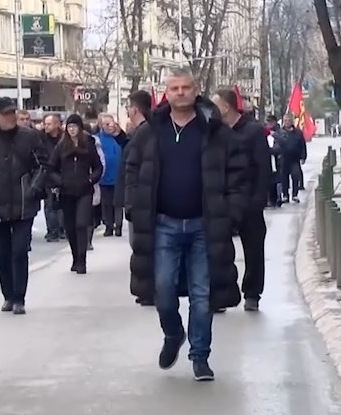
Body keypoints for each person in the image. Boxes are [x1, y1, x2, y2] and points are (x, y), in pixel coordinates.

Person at [124, 70, 246, 381]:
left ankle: (200, 356)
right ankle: (173, 333)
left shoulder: (214, 130)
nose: (180, 93)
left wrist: (230, 213)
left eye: (186, 87)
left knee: (201, 294)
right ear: (166, 92)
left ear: (196, 90)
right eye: (174, 88)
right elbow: (133, 170)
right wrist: (134, 208)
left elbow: (238, 174)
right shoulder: (151, 131)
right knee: (162, 290)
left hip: (204, 226)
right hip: (163, 224)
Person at [0, 97, 49, 314]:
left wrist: (33, 188)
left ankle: (19, 298)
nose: (10, 117)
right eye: (5, 113)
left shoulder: (30, 137)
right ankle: (7, 295)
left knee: (19, 251)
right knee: (2, 253)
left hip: (24, 204)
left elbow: (43, 165)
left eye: (12, 113)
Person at [211, 88, 270, 311]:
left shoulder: (252, 131)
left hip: (248, 200)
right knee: (219, 250)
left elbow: (263, 167)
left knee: (253, 249)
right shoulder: (216, 132)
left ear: (225, 107)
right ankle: (221, 294)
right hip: (223, 200)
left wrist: (258, 199)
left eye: (215, 106)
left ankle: (252, 292)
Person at [49, 114, 103, 275]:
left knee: (81, 224)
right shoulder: (61, 145)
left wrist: (90, 179)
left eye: (75, 126)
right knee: (70, 227)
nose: (72, 129)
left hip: (84, 191)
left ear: (80, 128)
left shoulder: (88, 144)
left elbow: (98, 167)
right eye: (69, 126)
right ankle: (75, 258)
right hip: (67, 192)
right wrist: (60, 181)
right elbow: (51, 168)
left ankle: (82, 260)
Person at [117, 90, 154, 306]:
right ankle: (146, 289)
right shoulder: (141, 132)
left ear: (134, 109)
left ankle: (149, 289)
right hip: (136, 197)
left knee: (142, 244)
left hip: (140, 198)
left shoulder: (145, 132)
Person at [96, 114, 125, 237]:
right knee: (106, 203)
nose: (109, 126)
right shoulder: (97, 139)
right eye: (106, 124)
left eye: (110, 123)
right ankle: (108, 226)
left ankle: (118, 226)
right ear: (101, 125)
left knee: (118, 203)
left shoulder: (120, 137)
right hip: (104, 176)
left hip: (118, 176)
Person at [39, 113, 65, 242]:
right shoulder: (41, 139)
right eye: (45, 124)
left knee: (62, 205)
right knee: (49, 205)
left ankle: (62, 229)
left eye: (49, 124)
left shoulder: (65, 138)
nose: (46, 126)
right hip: (48, 176)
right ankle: (52, 231)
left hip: (64, 175)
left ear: (56, 124)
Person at [275, 113, 308, 203]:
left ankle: (295, 194)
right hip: (283, 158)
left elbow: (302, 145)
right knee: (284, 177)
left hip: (295, 158)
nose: (287, 122)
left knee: (295, 176)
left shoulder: (298, 132)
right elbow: (275, 144)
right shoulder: (279, 133)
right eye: (285, 120)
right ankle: (285, 195)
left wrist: (303, 156)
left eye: (289, 120)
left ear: (292, 121)